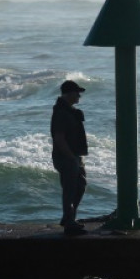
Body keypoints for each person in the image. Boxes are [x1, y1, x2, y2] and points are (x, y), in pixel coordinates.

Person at [51, 80, 89, 236]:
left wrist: (76, 158)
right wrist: (70, 157)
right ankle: (69, 222)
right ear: (68, 93)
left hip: (74, 156)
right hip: (66, 157)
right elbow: (59, 138)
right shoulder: (61, 113)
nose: (79, 95)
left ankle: (68, 218)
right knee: (70, 189)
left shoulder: (70, 112)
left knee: (80, 184)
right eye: (76, 92)